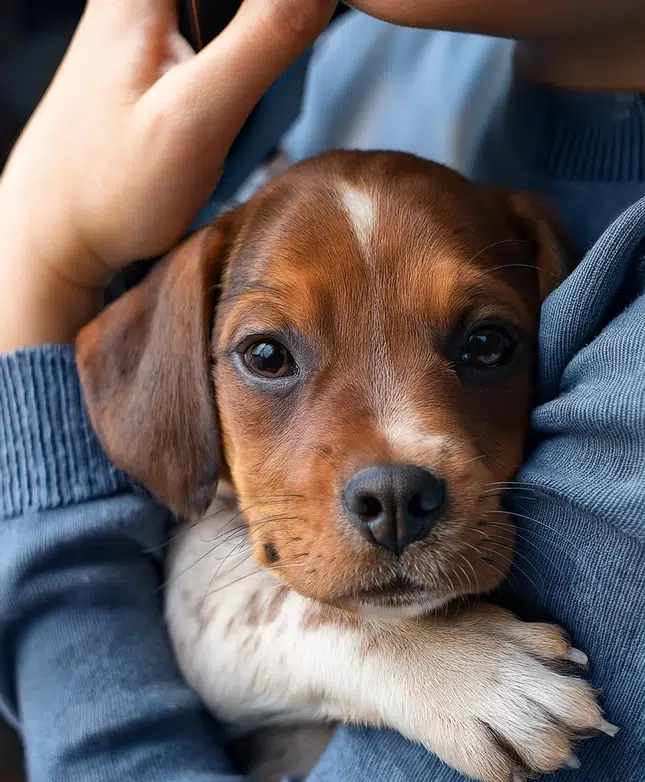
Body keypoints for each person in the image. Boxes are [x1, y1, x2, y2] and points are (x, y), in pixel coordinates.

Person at [0, 0, 642, 780]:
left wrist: (40, 262)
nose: (391, 478)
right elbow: (200, 606)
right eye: (269, 356)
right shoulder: (352, 67)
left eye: (482, 346)